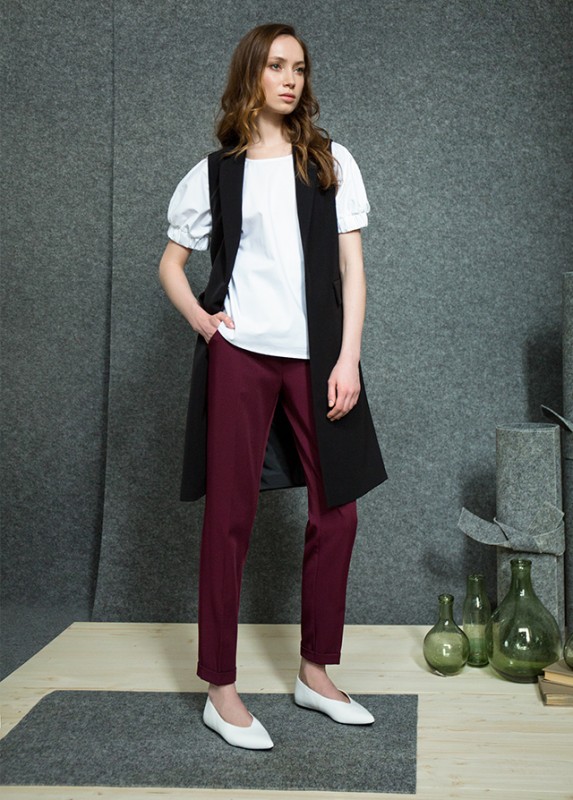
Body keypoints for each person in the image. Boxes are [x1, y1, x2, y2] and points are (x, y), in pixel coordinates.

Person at [159, 22, 387, 750]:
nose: (290, 79)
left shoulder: (329, 161)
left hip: (317, 358)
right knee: (229, 518)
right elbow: (171, 263)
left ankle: (315, 673)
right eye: (277, 66)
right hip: (241, 358)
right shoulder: (214, 173)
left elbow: (352, 270)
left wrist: (348, 358)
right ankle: (220, 689)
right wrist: (205, 323)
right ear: (251, 75)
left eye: (299, 68)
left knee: (337, 511)